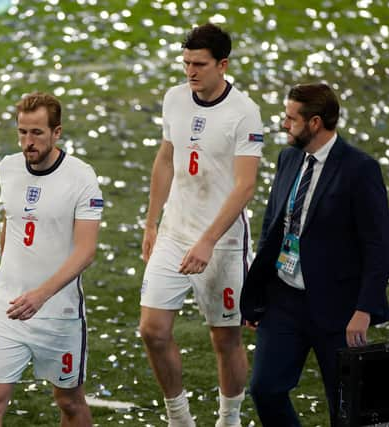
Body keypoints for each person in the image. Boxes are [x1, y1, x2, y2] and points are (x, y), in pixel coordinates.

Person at [240, 83, 389, 426]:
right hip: (283, 299)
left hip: (338, 307)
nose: (283, 124)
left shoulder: (359, 169)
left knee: (344, 406)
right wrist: (258, 293)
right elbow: (274, 226)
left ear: (315, 123)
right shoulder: (289, 157)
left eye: (291, 118)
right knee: (265, 389)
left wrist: (364, 309)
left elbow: (379, 245)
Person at [139, 23, 264, 427]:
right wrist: (151, 222)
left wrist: (209, 241)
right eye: (186, 63)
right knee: (152, 331)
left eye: (199, 64)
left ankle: (228, 421)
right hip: (175, 233)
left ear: (222, 64)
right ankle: (180, 419)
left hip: (223, 243)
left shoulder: (244, 112)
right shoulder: (175, 98)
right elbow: (164, 158)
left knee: (224, 338)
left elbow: (246, 186)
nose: (190, 72)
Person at [0, 92, 103, 426]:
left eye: (36, 133)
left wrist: (40, 294)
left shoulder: (82, 177)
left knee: (70, 402)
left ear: (56, 132)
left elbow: (86, 250)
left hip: (58, 314)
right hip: (7, 308)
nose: (27, 142)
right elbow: (11, 221)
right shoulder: (8, 168)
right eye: (22, 132)